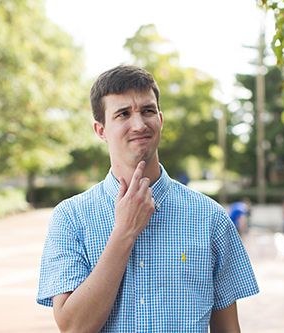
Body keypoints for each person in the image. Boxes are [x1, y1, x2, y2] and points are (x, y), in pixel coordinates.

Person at [37, 65, 259, 332]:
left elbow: (228, 329)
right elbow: (73, 328)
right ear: (101, 130)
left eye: (148, 110)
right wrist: (123, 233)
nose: (139, 124)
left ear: (161, 120)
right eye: (123, 114)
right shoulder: (70, 217)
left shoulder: (210, 217)